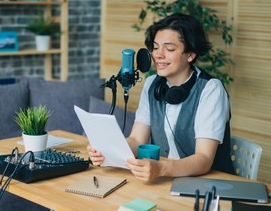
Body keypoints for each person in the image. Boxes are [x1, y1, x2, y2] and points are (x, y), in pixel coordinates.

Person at [88, 13, 234, 182]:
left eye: (169, 49)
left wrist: (161, 168)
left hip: (210, 186)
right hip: (167, 180)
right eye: (156, 47)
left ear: (190, 55)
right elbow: (136, 139)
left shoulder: (211, 89)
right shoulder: (152, 85)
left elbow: (204, 159)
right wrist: (107, 151)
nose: (158, 54)